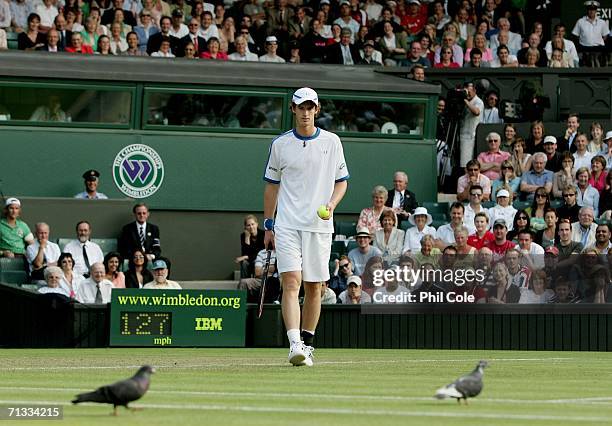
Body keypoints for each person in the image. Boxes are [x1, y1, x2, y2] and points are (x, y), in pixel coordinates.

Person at [263, 87, 349, 367]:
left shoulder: (332, 142)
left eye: (310, 107)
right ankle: (294, 344)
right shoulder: (280, 145)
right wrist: (268, 224)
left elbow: (342, 182)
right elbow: (271, 187)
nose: (305, 112)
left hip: (319, 227)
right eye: (300, 107)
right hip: (287, 225)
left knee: (315, 287)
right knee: (291, 282)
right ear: (293, 109)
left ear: (317, 110)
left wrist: (332, 204)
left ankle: (308, 343)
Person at [572, 0, 609, 67]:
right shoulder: (580, 21)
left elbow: (605, 36)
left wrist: (598, 42)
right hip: (584, 48)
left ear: (596, 11)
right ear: (587, 10)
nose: (591, 11)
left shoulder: (602, 22)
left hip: (598, 48)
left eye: (593, 9)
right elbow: (576, 35)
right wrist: (584, 41)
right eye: (590, 9)